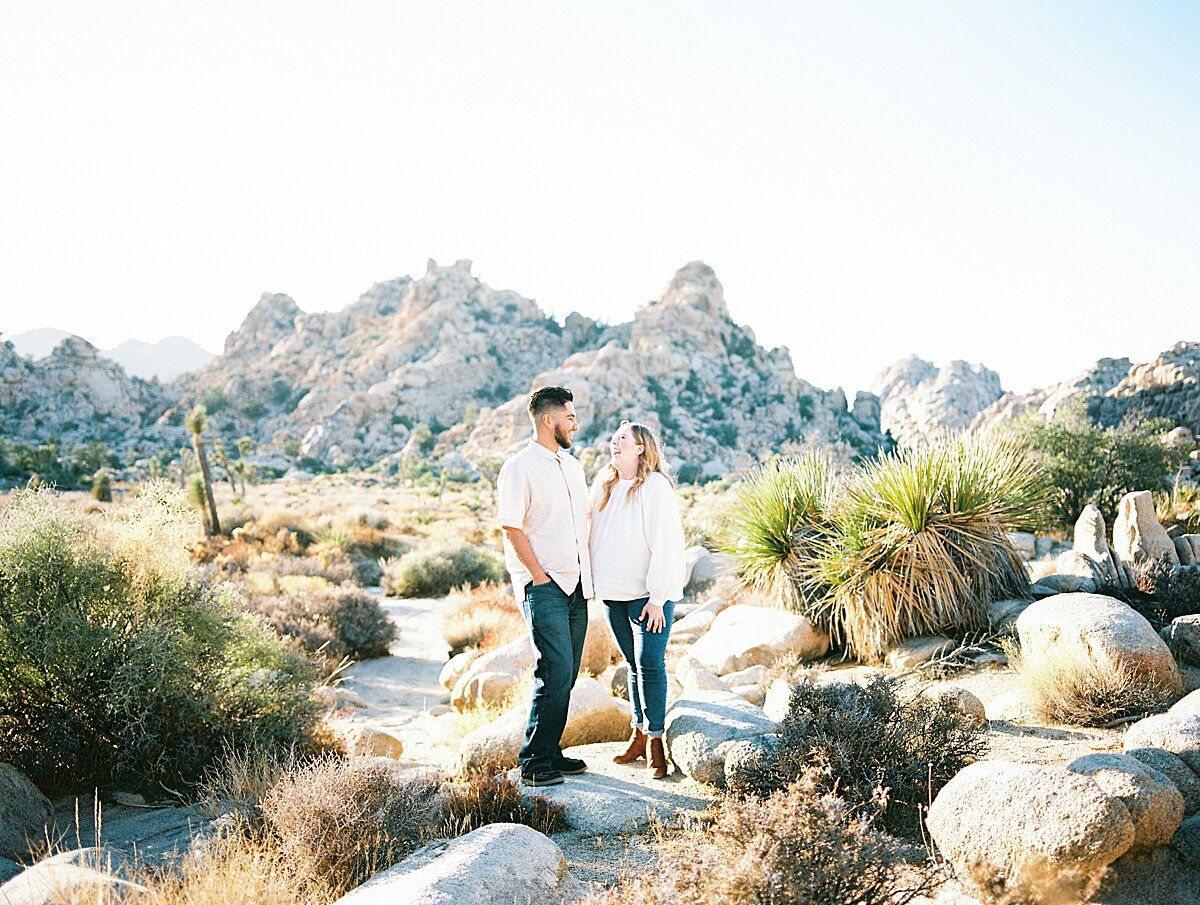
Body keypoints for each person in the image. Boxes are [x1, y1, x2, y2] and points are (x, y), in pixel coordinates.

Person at [495, 386, 594, 787]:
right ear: (549, 420)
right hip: (545, 586)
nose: (575, 424)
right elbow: (511, 525)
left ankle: (551, 750)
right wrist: (538, 576)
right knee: (554, 671)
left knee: (566, 675)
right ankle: (535, 763)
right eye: (569, 417)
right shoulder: (519, 467)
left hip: (577, 586)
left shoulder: (572, 467)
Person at [589, 420, 685, 779]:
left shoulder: (655, 486)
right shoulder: (605, 482)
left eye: (623, 439)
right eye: (614, 438)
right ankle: (638, 732)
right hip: (612, 593)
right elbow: (590, 529)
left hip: (648, 596)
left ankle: (655, 741)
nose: (615, 443)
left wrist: (659, 598)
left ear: (641, 447)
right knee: (632, 664)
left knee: (650, 663)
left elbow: (667, 543)